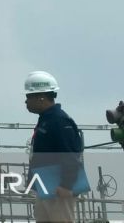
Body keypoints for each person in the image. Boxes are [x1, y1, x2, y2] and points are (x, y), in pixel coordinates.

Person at [24, 71, 85, 223]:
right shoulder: (48, 120)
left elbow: (70, 155)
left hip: (58, 187)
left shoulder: (59, 121)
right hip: (47, 185)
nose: (26, 101)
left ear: (41, 97)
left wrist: (66, 185)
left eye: (29, 96)